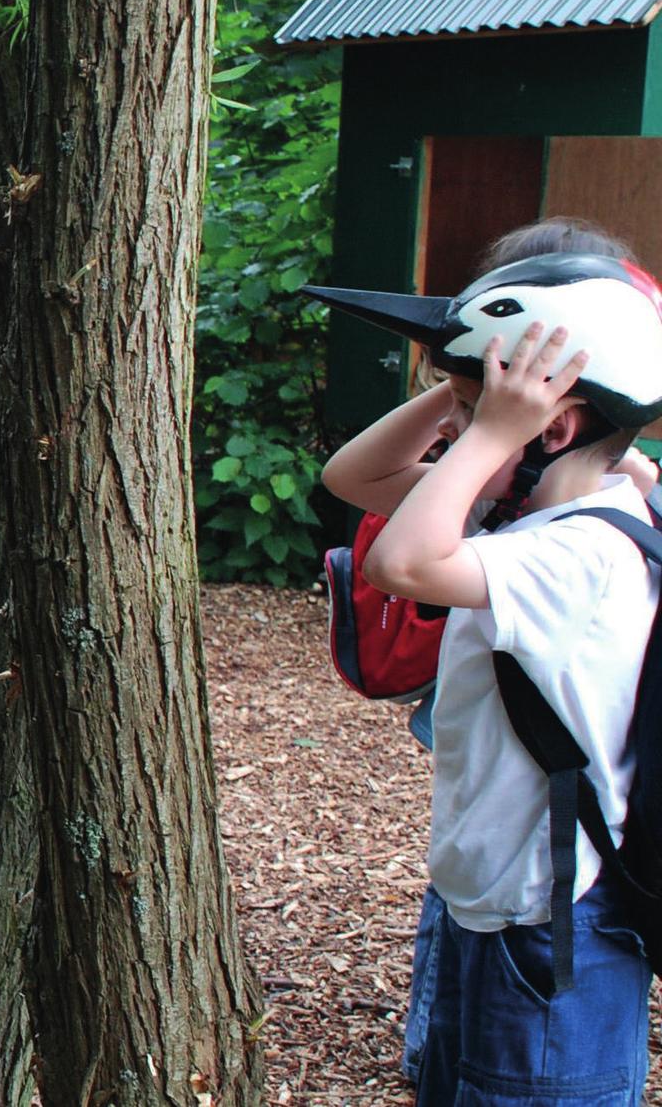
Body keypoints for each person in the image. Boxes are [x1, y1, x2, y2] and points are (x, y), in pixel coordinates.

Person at [314, 244, 662, 1102]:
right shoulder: (543, 510)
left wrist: (497, 424)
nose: (458, 433)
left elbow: (400, 560)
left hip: (554, 924)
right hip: (501, 902)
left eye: (469, 415)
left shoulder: (581, 549)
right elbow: (353, 479)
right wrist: (465, 387)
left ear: (554, 428)